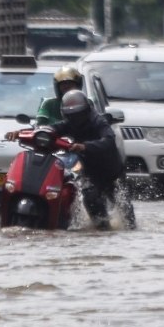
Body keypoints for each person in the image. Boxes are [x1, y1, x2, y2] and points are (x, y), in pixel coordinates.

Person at [53, 90, 135, 231]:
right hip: (90, 171)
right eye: (72, 116)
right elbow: (51, 130)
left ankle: (131, 229)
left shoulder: (99, 122)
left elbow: (108, 140)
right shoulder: (68, 124)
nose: (76, 119)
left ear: (86, 111)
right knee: (90, 197)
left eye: (79, 114)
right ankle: (101, 228)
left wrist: (85, 146)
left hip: (111, 171)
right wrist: (24, 133)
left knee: (123, 206)